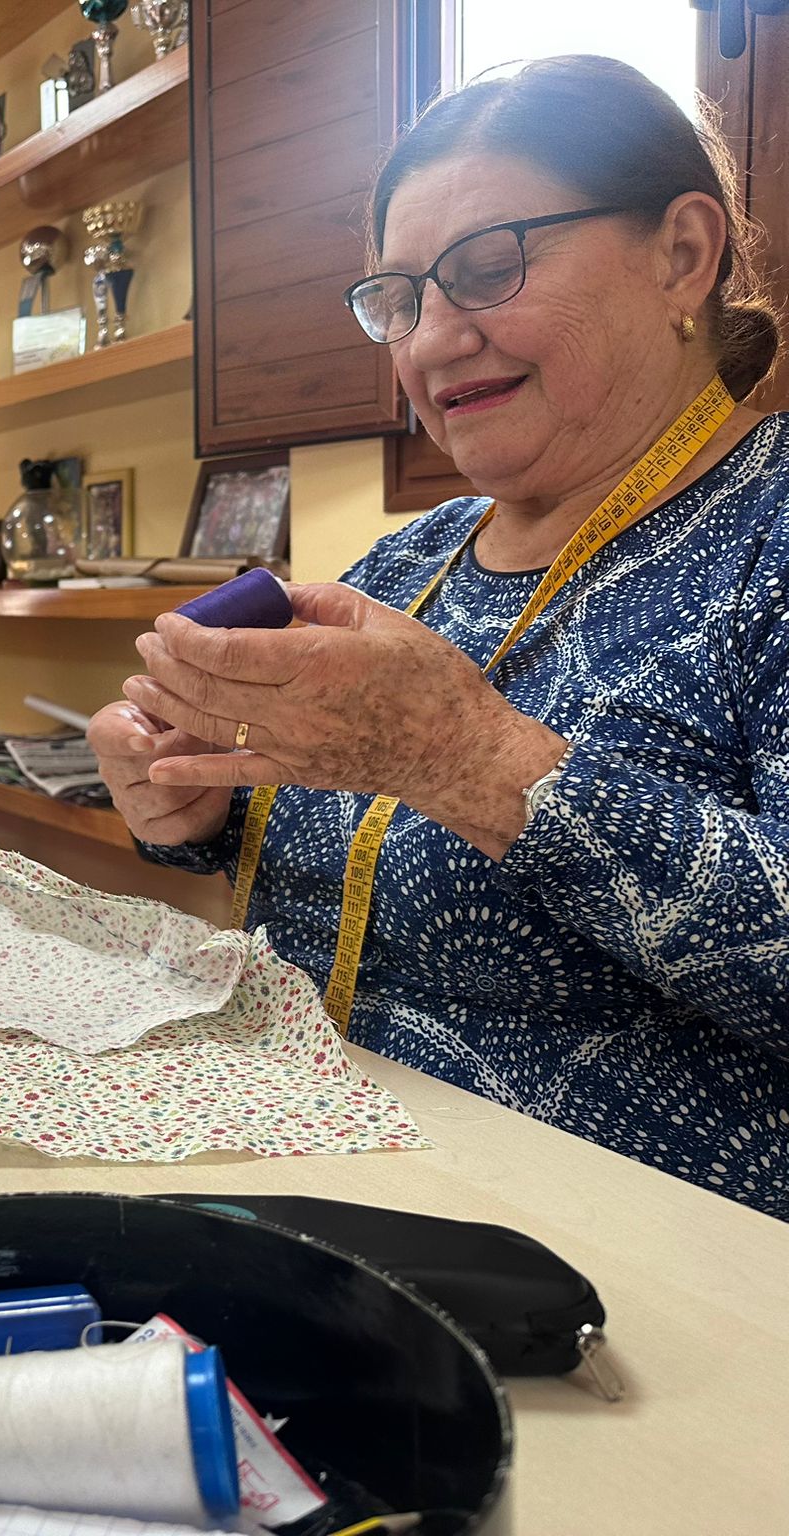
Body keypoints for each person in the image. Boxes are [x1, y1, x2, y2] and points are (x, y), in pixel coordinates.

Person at [91, 56, 787, 1218]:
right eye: (399, 299)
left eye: (486, 268)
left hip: (638, 1269)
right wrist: (190, 809)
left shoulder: (768, 536)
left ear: (681, 253)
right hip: (313, 1184)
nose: (429, 342)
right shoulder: (407, 563)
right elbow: (312, 849)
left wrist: (468, 759)